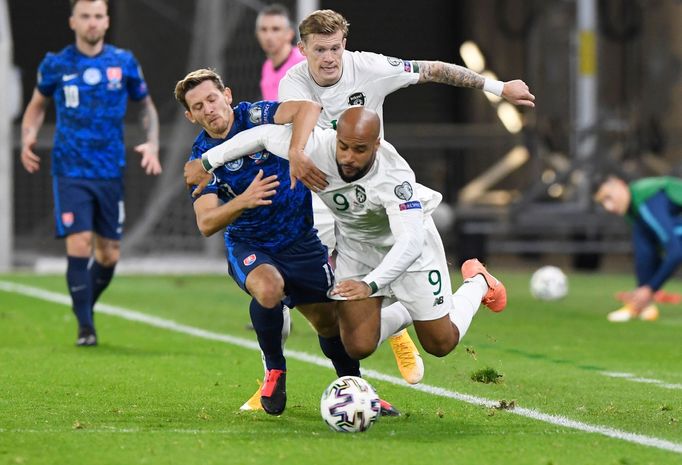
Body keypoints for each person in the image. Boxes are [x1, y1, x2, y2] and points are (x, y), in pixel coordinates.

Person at [276, 8, 533, 381]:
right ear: (303, 49)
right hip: (334, 198)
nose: (329, 58)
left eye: (335, 48)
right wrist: (292, 154)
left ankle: (477, 284)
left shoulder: (370, 69)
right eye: (319, 50)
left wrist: (498, 88)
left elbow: (431, 69)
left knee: (441, 343)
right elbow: (280, 130)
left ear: (344, 45)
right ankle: (279, 358)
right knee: (349, 336)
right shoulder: (293, 83)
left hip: (380, 196)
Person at [186, 107, 507, 365]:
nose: (349, 157)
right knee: (355, 345)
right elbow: (262, 135)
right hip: (359, 248)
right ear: (335, 138)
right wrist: (206, 161)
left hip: (408, 250)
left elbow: (409, 243)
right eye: (344, 147)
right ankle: (411, 308)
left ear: (376, 147)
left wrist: (369, 285)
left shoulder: (396, 180)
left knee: (440, 343)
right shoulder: (319, 147)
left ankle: (478, 283)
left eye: (359, 150)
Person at [174, 69, 401, 416]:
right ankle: (274, 372)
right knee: (269, 289)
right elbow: (206, 223)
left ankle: (357, 390)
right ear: (191, 116)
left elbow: (307, 108)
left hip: (301, 242)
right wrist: (243, 200)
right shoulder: (201, 159)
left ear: (228, 95)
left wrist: (296, 150)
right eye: (198, 106)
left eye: (212, 99)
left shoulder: (255, 116)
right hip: (251, 244)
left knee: (329, 324)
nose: (209, 109)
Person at [20, 0, 161, 347]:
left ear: (106, 20)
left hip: (111, 170)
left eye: (98, 16)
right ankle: (86, 326)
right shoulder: (56, 64)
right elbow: (37, 107)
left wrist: (153, 142)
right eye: (85, 16)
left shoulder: (123, 62)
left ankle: (82, 301)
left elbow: (146, 107)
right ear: (73, 21)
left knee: (109, 253)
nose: (92, 22)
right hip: (70, 168)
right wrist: (28, 136)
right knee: (80, 242)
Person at [595, 175, 682, 322]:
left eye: (608, 197)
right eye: (603, 203)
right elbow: (647, 254)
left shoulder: (646, 201)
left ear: (619, 183)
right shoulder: (635, 208)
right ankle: (641, 304)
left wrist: (649, 289)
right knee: (642, 239)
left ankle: (642, 300)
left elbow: (676, 253)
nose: (608, 207)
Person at [255, 4, 305, 101]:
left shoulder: (303, 63)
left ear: (289, 34)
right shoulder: (267, 66)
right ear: (257, 34)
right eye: (263, 29)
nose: (268, 36)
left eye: (275, 29)